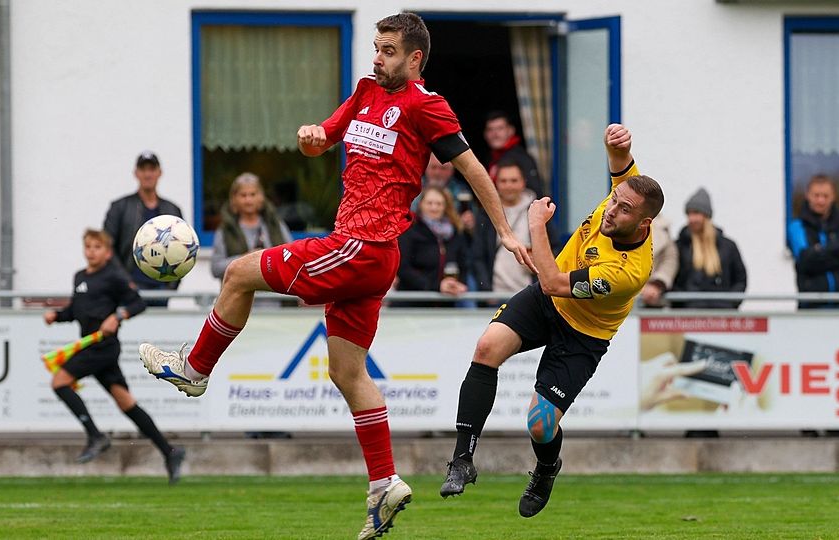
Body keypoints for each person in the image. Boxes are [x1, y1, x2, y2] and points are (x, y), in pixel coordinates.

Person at [138, 13, 533, 540]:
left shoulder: (425, 105)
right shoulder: (366, 91)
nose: (377, 57)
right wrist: (310, 137)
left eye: (389, 50)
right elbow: (323, 139)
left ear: (415, 58)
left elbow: (471, 167)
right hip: (365, 256)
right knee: (347, 373)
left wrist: (505, 230)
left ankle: (195, 367)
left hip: (362, 246)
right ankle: (384, 483)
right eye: (376, 47)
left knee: (237, 272)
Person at [440, 124, 663, 519]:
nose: (612, 210)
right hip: (546, 305)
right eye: (614, 200)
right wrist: (617, 143)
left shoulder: (628, 271)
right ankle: (462, 460)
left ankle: (546, 468)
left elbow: (553, 281)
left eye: (624, 210)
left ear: (643, 225)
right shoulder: (626, 195)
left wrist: (536, 225)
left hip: (583, 335)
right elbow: (620, 165)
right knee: (487, 347)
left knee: (540, 425)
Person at [44, 229, 185, 483]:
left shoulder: (114, 276)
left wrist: (118, 316)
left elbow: (137, 303)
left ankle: (95, 436)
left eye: (97, 247)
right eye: (88, 247)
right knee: (126, 402)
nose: (91, 252)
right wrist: (57, 316)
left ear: (107, 252)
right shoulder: (79, 277)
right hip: (89, 345)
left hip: (103, 347)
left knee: (59, 382)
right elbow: (77, 310)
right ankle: (170, 451)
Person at [103, 152, 184, 307]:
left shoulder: (173, 210)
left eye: (152, 169)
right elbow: (107, 248)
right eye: (143, 169)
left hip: (162, 288)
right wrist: (125, 283)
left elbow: (183, 248)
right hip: (129, 290)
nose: (147, 174)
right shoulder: (120, 207)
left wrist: (171, 286)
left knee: (160, 332)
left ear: (159, 173)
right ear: (136, 173)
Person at [471, 159, 558, 294]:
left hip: (531, 294)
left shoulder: (538, 211)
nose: (509, 185)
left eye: (514, 180)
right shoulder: (485, 214)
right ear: (495, 184)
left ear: (523, 182)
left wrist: (541, 263)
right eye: (503, 181)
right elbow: (477, 256)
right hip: (495, 294)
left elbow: (555, 248)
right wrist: (486, 291)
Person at [788, 174, 839, 310]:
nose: (821, 201)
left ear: (833, 196)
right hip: (811, 308)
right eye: (816, 195)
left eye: (825, 196)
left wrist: (821, 250)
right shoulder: (797, 226)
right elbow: (806, 259)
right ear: (808, 195)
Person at [671, 188, 747, 309]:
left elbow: (740, 279)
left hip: (722, 316)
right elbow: (672, 279)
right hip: (687, 317)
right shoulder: (678, 246)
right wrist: (682, 304)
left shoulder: (728, 246)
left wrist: (729, 304)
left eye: (696, 213)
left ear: (706, 216)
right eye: (688, 213)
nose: (691, 219)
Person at [211, 172, 293, 280]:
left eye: (253, 194)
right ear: (234, 199)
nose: (248, 200)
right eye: (243, 195)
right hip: (239, 294)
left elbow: (291, 257)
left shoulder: (275, 224)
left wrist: (269, 259)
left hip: (275, 294)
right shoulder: (226, 229)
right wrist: (244, 259)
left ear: (261, 197)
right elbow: (216, 268)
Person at [396, 187, 468, 306]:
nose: (434, 207)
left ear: (446, 206)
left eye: (439, 203)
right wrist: (436, 286)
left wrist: (459, 283)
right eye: (429, 203)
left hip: (447, 303)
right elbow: (403, 268)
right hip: (412, 303)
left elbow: (464, 264)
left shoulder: (455, 233)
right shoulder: (410, 230)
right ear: (421, 205)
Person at [484, 111, 546, 197]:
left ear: (511, 130)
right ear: (485, 134)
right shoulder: (490, 157)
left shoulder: (522, 158)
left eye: (500, 128)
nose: (495, 134)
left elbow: (535, 193)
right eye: (490, 129)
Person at [639, 213, 678, 307]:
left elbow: (670, 260)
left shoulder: (662, 227)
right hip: (620, 292)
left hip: (652, 297)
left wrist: (656, 284)